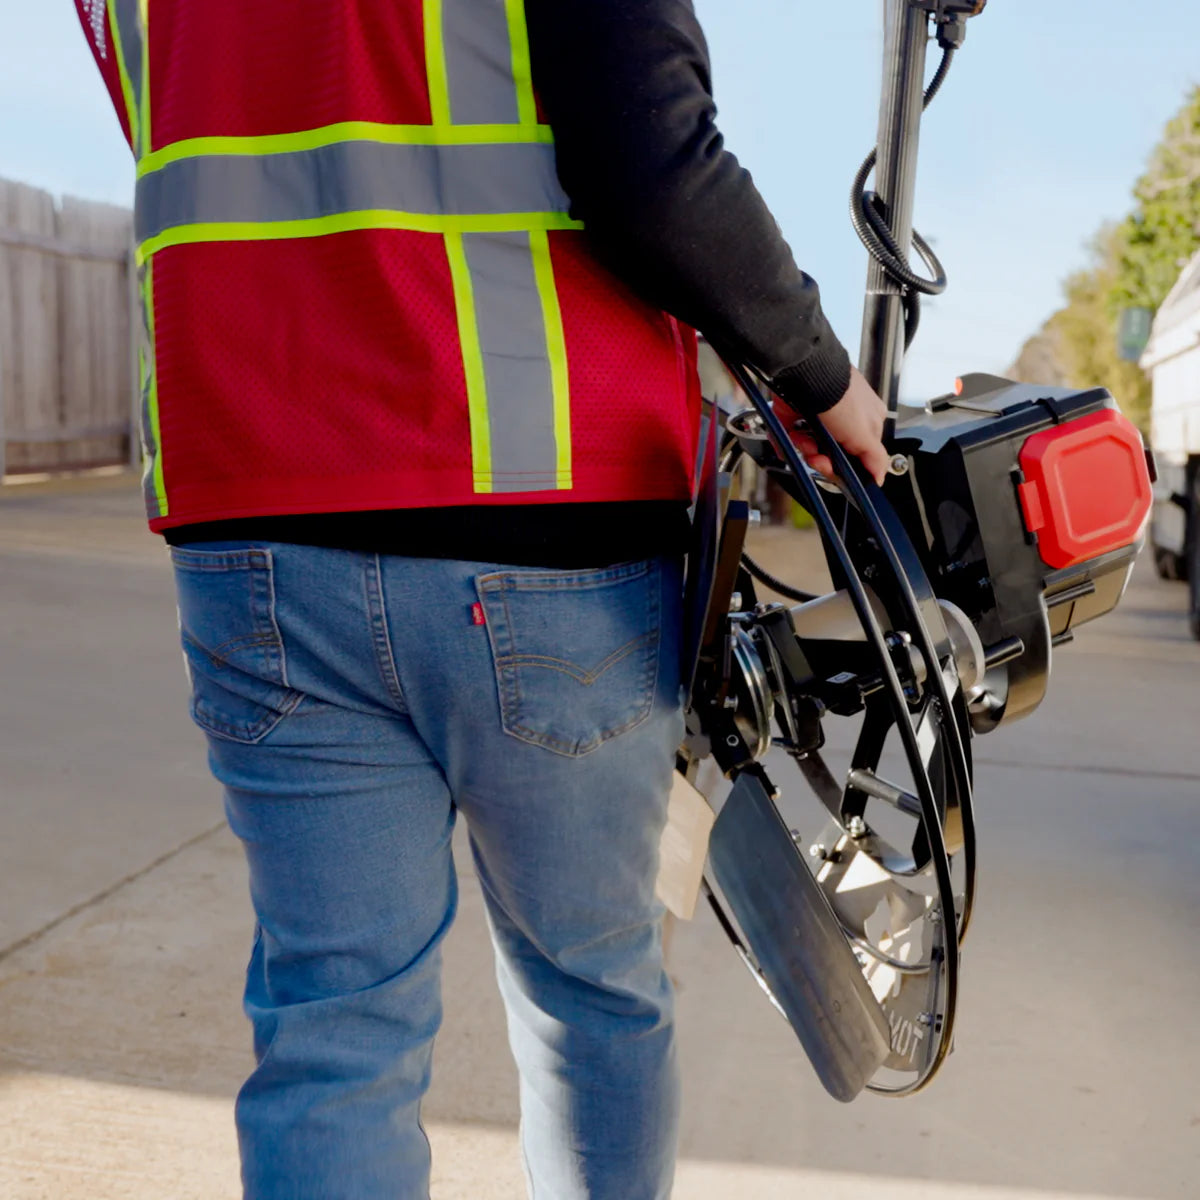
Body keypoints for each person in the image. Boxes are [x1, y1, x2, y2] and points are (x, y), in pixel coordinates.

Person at [76, 1, 888, 1196]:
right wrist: (823, 376)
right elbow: (649, 164)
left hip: (257, 516)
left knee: (332, 1026)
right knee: (591, 994)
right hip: (541, 517)